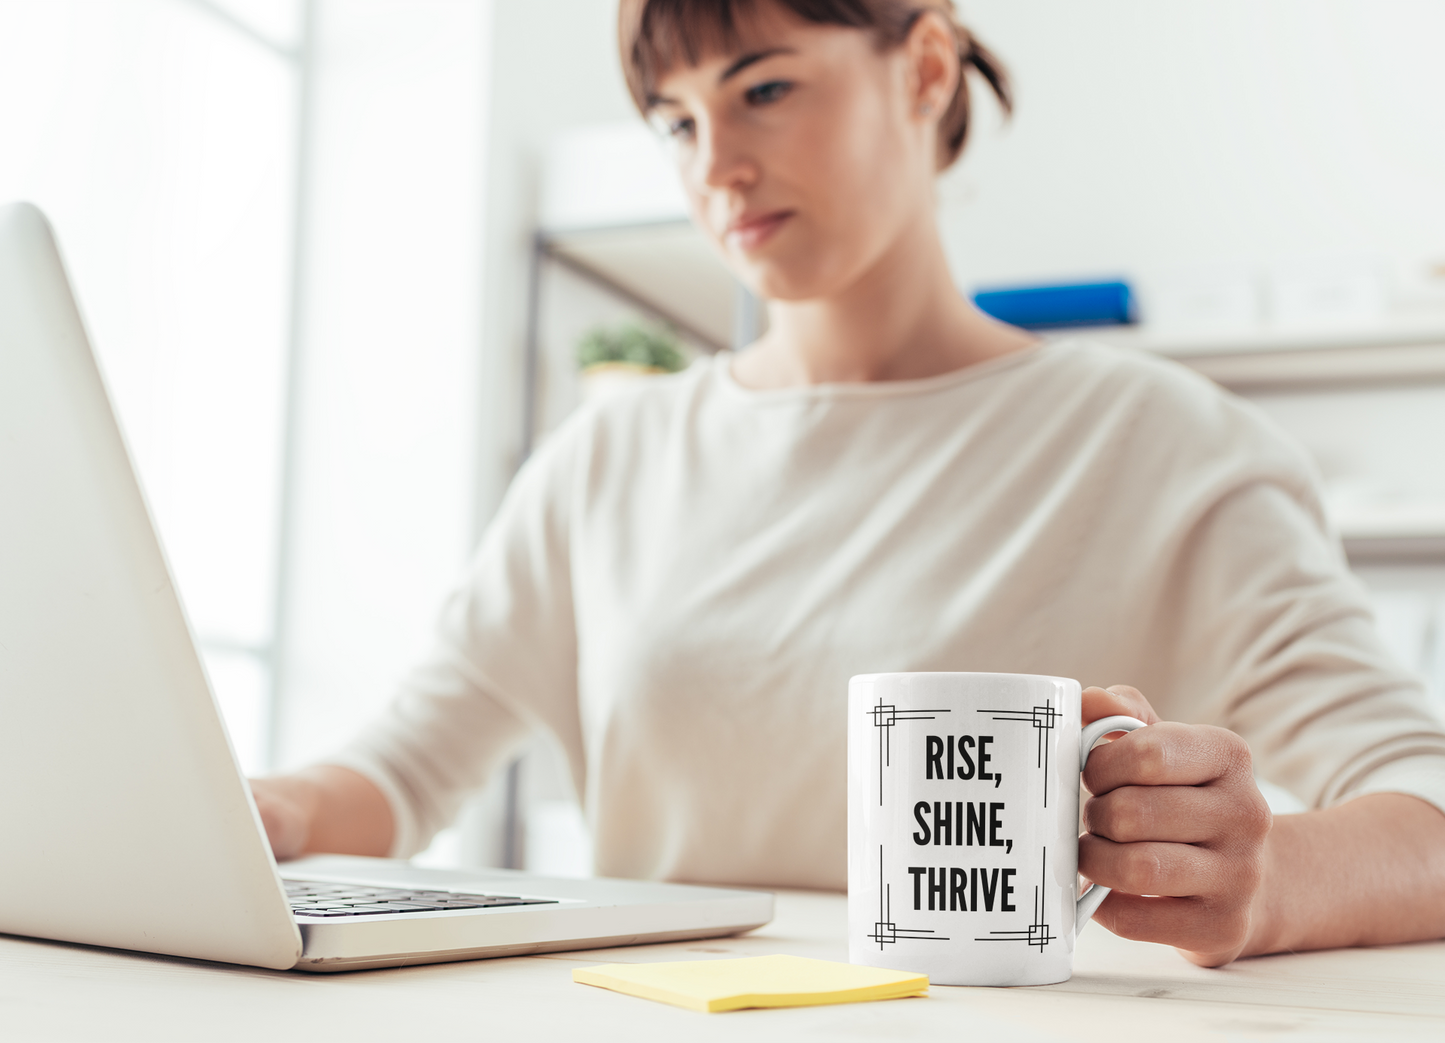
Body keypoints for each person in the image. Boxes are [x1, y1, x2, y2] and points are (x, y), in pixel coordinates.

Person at [251, 0, 1445, 968]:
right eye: (676, 121)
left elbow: (1427, 812)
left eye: (763, 87)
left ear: (924, 70)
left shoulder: (1166, 446)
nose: (715, 165)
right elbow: (403, 769)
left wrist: (1268, 876)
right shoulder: (601, 461)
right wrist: (270, 811)